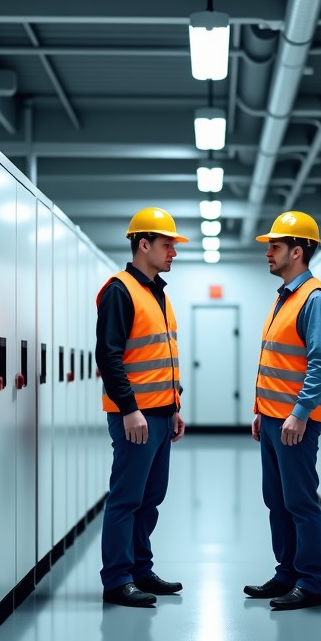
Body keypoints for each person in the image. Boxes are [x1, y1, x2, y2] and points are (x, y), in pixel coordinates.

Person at [245, 211, 321, 610]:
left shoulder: (313, 299)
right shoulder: (285, 297)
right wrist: (260, 411)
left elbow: (320, 364)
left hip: (295, 423)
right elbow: (276, 362)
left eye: (276, 246)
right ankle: (286, 574)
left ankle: (310, 583)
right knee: (277, 501)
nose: (268, 252)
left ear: (297, 252)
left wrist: (300, 413)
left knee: (300, 502)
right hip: (272, 420)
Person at [95, 207, 188, 608]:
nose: (173, 253)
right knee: (126, 498)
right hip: (135, 416)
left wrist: (174, 406)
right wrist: (130, 409)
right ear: (143, 244)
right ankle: (117, 579)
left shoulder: (157, 293)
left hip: (161, 414)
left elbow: (161, 357)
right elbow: (109, 357)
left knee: (151, 497)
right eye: (167, 245)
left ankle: (140, 570)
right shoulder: (120, 290)